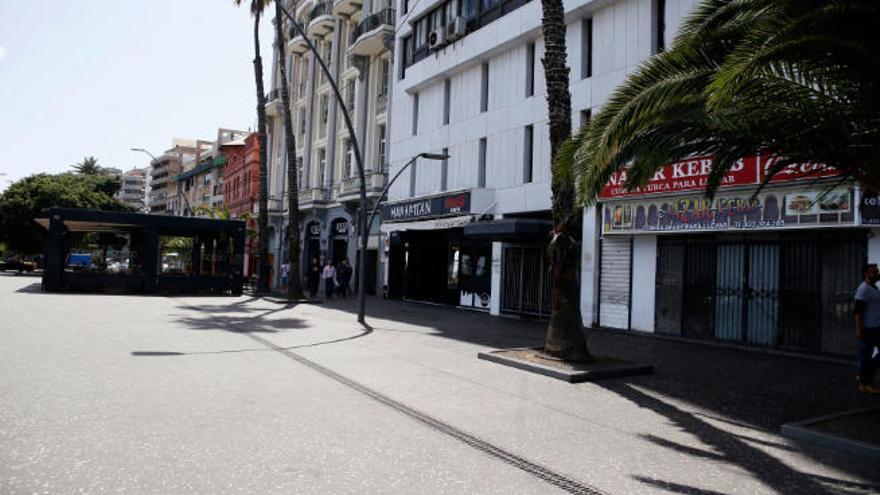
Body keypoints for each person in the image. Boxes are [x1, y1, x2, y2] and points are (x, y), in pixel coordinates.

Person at [853, 263, 880, 394]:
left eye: (877, 271)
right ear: (866, 274)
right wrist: (859, 330)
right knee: (866, 355)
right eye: (874, 272)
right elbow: (857, 311)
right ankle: (865, 384)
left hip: (876, 326)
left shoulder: (873, 287)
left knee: (867, 357)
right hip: (869, 328)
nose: (877, 273)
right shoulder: (863, 290)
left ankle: (864, 372)